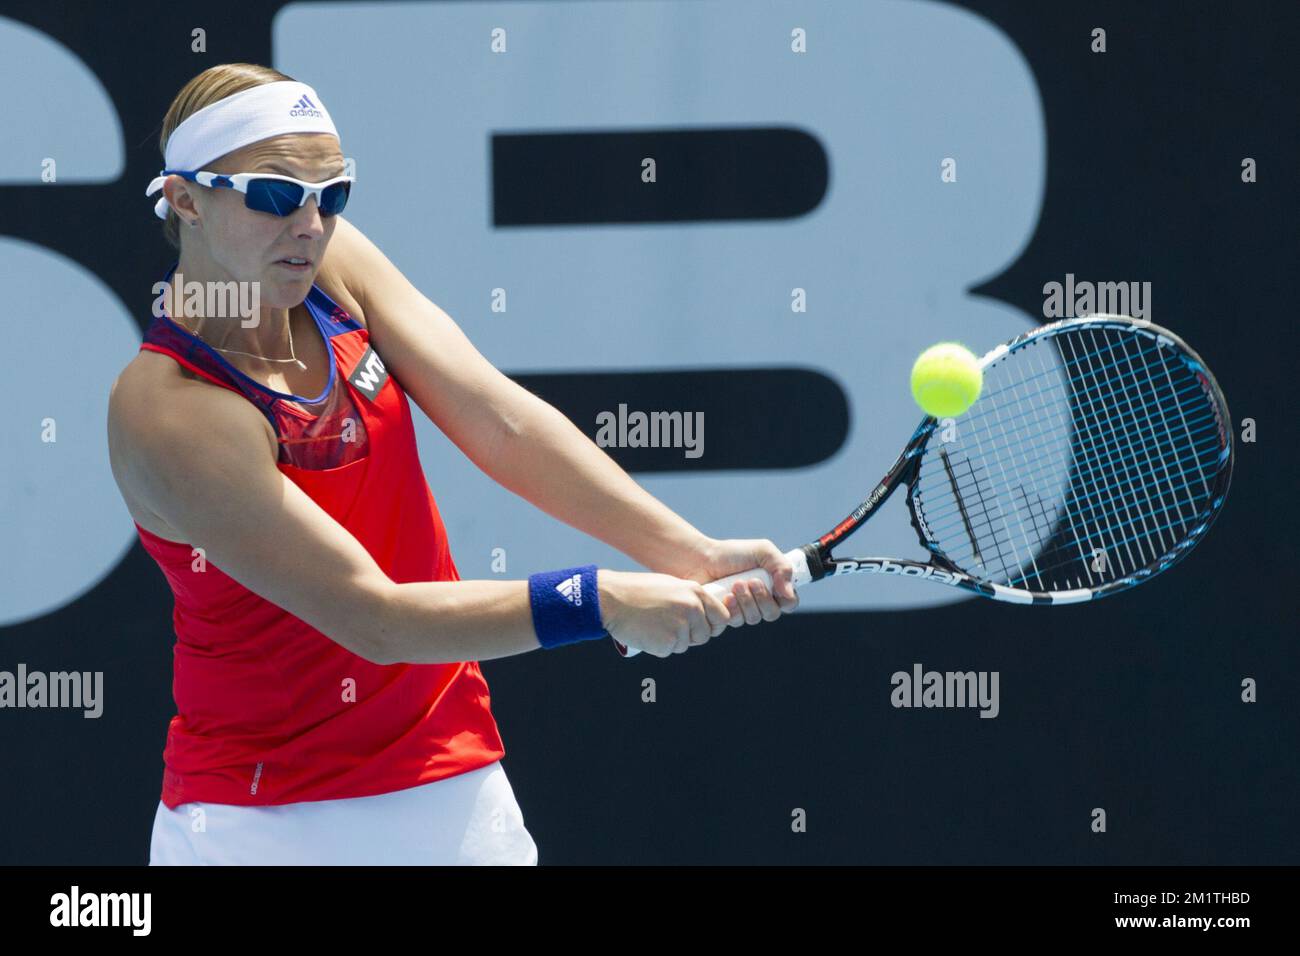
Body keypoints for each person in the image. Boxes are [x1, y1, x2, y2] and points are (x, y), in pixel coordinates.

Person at [106, 63, 799, 865]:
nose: (308, 224)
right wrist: (598, 600)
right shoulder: (170, 411)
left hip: (453, 783)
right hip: (258, 826)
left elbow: (499, 421)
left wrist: (689, 551)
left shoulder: (326, 268)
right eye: (273, 194)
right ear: (186, 199)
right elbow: (374, 617)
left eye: (332, 195)